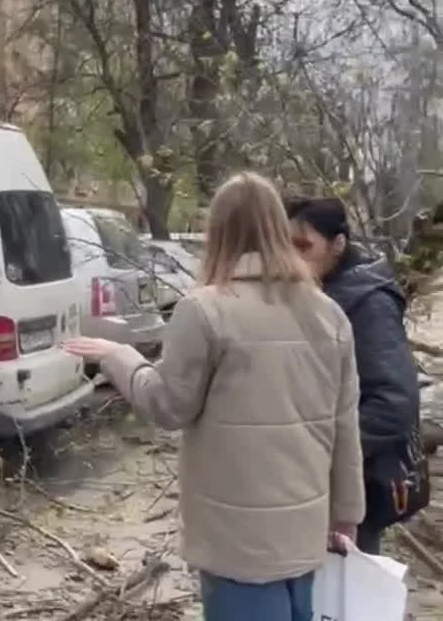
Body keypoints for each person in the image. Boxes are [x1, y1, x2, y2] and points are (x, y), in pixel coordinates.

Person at [61, 172, 363, 621]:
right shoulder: (328, 314)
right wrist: (347, 514)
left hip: (236, 545)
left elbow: (168, 406)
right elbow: (345, 424)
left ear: (216, 233)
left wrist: (120, 357)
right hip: (304, 537)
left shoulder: (203, 310)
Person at [286, 196, 423, 554]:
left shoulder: (366, 303)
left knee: (346, 596)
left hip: (354, 484)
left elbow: (395, 400)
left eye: (303, 245)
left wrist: (325, 453)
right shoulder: (319, 292)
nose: (291, 256)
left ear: (338, 244)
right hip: (321, 484)